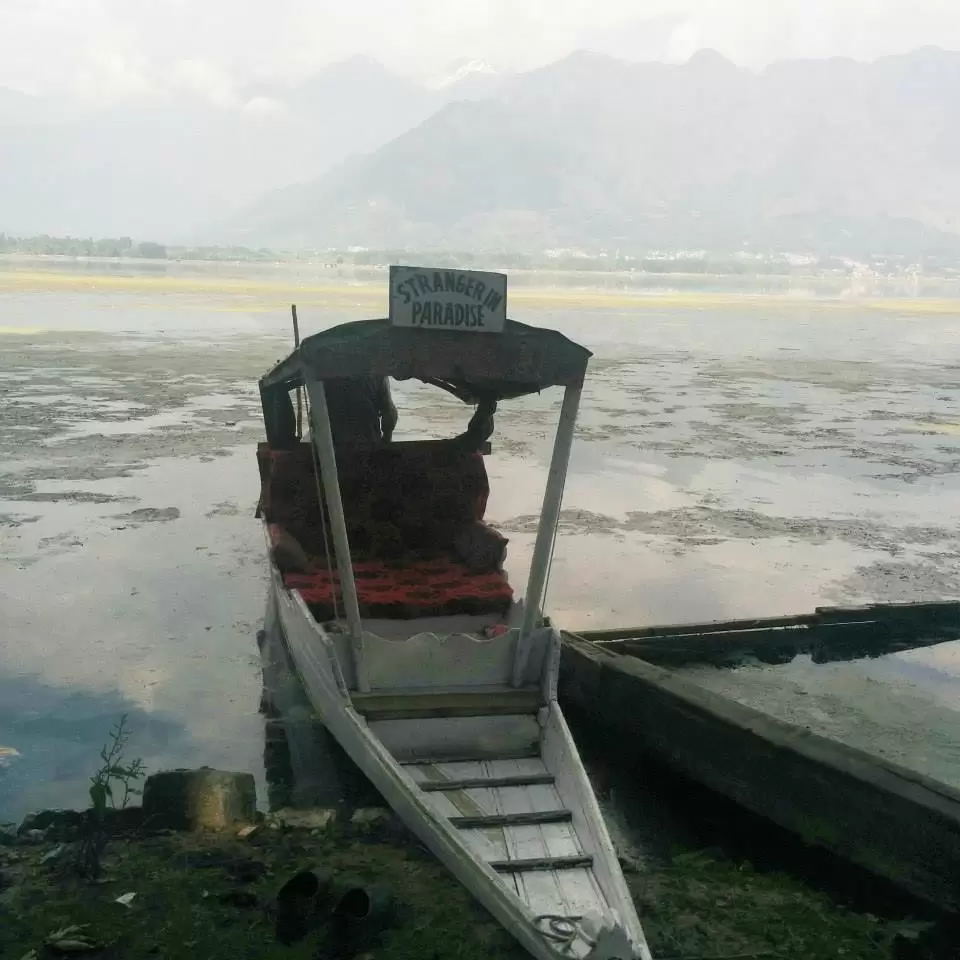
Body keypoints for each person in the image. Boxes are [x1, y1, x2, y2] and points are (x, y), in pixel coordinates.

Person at [321, 376, 397, 451]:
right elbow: (389, 412)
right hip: (367, 439)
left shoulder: (325, 370)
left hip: (334, 441)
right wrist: (386, 439)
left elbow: (316, 414)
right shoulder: (377, 369)